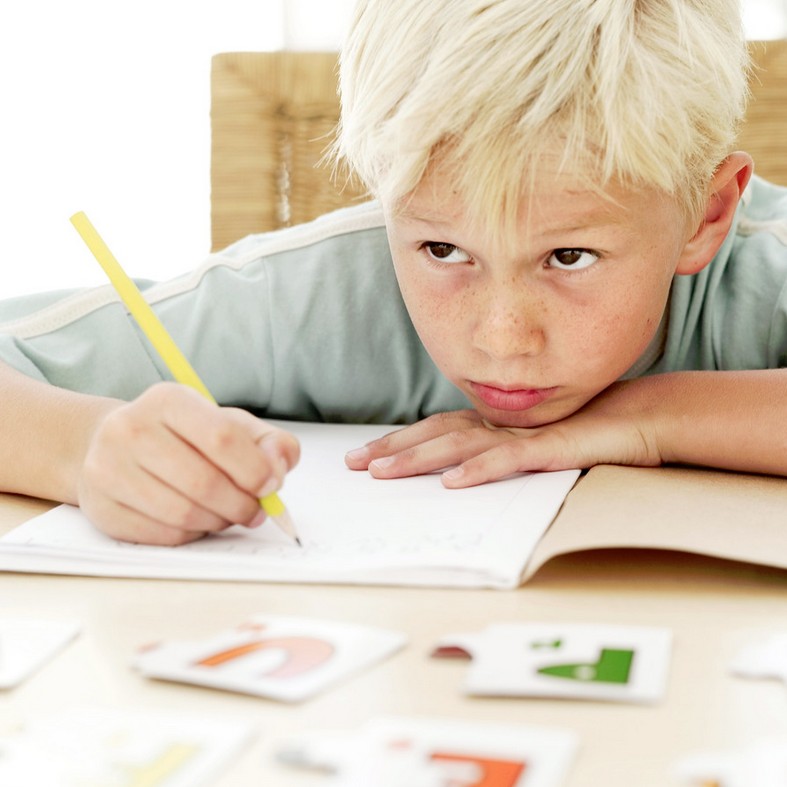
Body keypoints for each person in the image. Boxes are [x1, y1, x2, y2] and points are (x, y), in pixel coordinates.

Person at [0, 0, 785, 546]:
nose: (501, 339)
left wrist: (646, 416)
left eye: (567, 257)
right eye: (442, 251)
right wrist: (84, 448)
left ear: (706, 215)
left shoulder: (764, 267)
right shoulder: (317, 295)